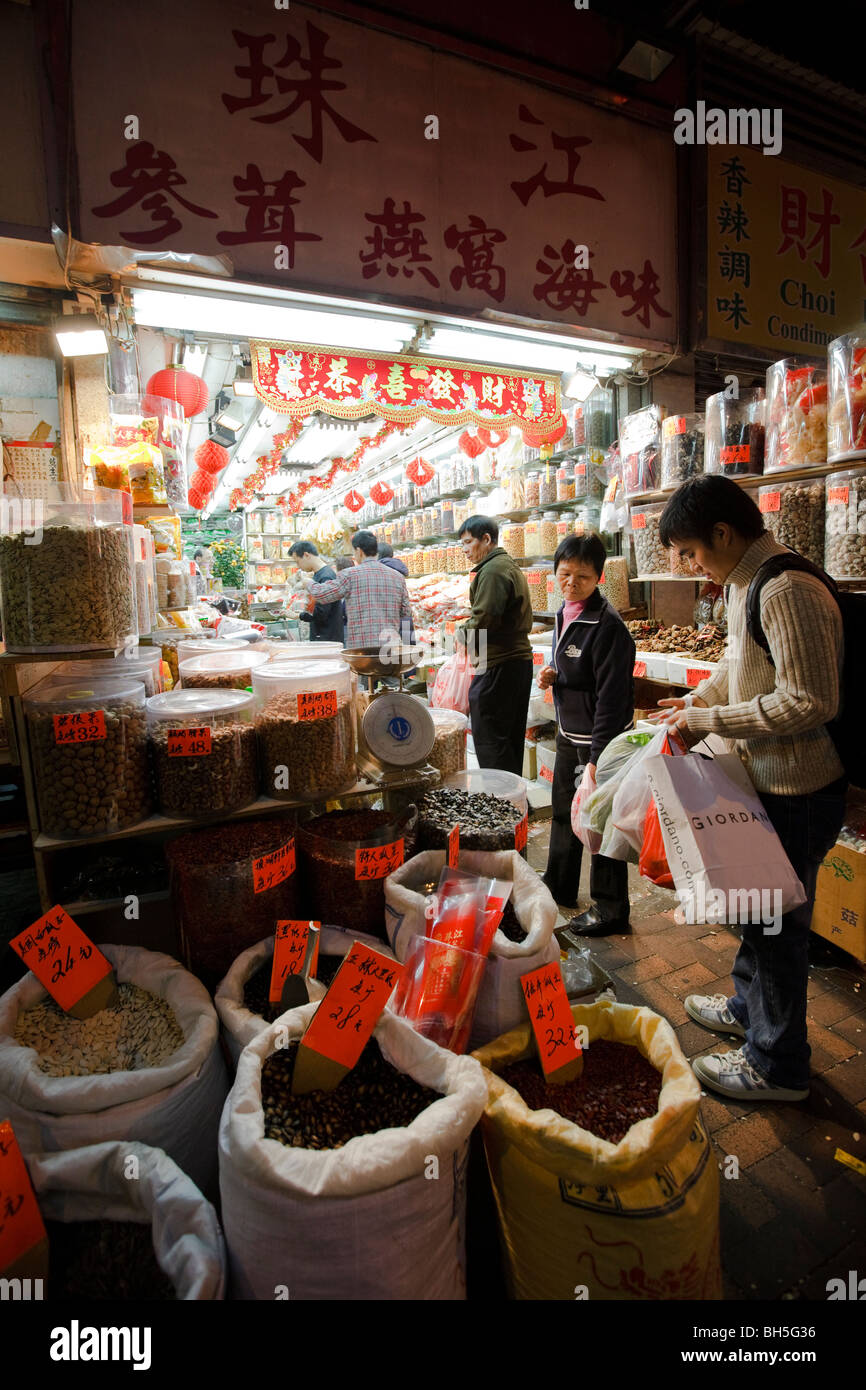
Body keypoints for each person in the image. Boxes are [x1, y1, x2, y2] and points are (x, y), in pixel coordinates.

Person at [656, 474, 845, 1103]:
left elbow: (810, 700)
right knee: (756, 909)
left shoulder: (787, 588)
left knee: (780, 928)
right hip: (763, 780)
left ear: (723, 532)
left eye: (690, 551)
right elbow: (740, 669)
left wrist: (708, 720)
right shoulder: (744, 584)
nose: (688, 564)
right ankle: (747, 1008)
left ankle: (778, 1065)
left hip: (800, 789)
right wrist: (693, 703)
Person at [539, 533, 635, 936]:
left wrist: (598, 760)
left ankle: (611, 909)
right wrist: (553, 675)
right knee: (564, 812)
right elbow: (577, 671)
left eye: (582, 575)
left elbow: (612, 700)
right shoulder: (565, 612)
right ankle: (558, 886)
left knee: (599, 821)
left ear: (599, 577)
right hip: (569, 734)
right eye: (564, 574)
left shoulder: (608, 626)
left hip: (600, 742)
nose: (571, 582)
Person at [455, 514, 532, 776]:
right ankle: (516, 803)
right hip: (513, 663)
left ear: (486, 539)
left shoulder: (494, 570)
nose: (465, 550)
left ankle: (504, 803)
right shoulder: (502, 565)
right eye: (462, 545)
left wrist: (459, 633)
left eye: (468, 543)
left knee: (491, 739)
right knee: (508, 739)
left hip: (499, 663)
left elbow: (484, 620)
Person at [299, 529, 413, 650]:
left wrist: (308, 582)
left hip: (362, 650)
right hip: (390, 648)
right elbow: (406, 615)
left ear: (359, 551)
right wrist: (407, 648)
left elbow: (322, 594)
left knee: (364, 669)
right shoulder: (397, 577)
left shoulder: (350, 575)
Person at [287, 540, 344, 643]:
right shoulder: (318, 575)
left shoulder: (326, 576)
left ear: (306, 555)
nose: (298, 566)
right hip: (323, 636)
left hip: (328, 639)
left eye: (297, 561)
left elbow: (321, 613)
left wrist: (298, 615)